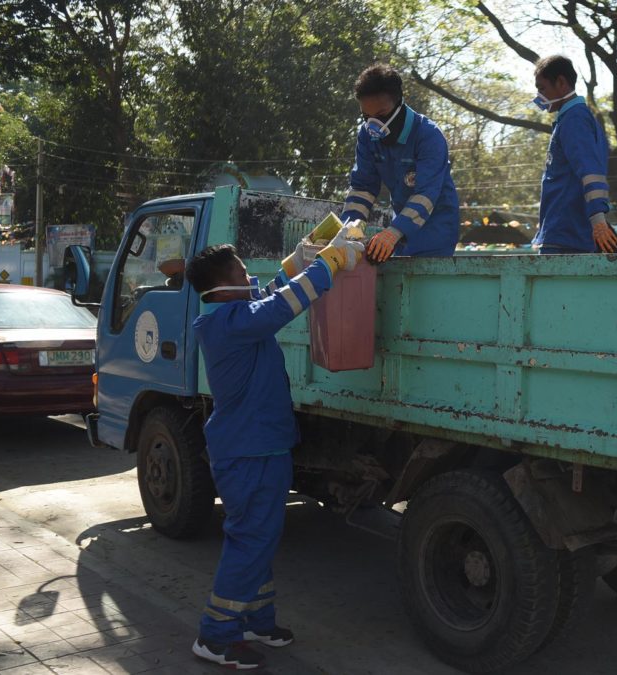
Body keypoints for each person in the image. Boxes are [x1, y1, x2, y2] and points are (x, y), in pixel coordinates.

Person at [184, 228, 364, 669]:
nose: (250, 277)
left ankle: (256, 620)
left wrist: (298, 260)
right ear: (221, 285)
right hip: (249, 450)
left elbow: (270, 292)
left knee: (261, 538)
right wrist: (330, 264)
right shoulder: (230, 322)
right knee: (251, 539)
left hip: (260, 446)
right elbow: (280, 305)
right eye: (242, 271)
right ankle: (215, 635)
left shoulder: (236, 314)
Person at [341, 63, 460, 262]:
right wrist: (349, 228)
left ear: (399, 103)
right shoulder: (366, 135)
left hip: (436, 232)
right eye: (366, 117)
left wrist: (394, 232)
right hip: (401, 231)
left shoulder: (428, 135)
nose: (374, 125)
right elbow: (362, 187)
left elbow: (426, 194)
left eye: (380, 116)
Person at [531, 55, 617, 254]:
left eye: (542, 88)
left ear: (561, 83)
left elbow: (590, 171)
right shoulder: (572, 119)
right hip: (567, 233)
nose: (538, 96)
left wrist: (598, 219)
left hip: (568, 235)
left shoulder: (574, 120)